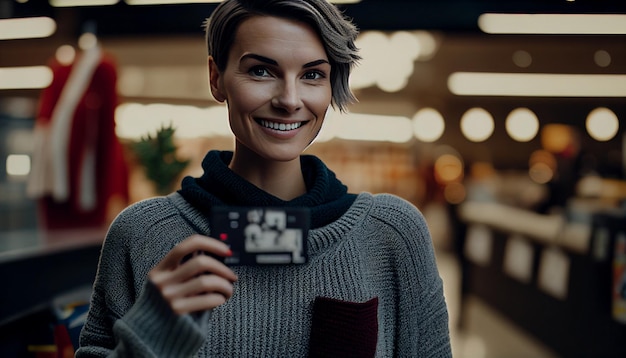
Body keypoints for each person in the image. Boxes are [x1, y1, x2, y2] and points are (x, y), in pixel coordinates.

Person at [76, 0, 452, 356]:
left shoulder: (391, 234)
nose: (289, 99)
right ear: (216, 78)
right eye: (260, 70)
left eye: (312, 74)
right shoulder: (142, 234)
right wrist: (146, 336)